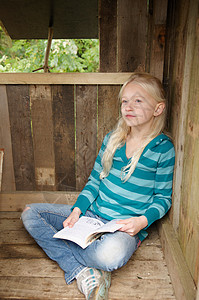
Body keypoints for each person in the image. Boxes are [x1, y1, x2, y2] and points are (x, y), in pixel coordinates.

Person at [21, 72, 175, 300]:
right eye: (124, 100)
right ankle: (82, 271)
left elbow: (163, 198)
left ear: (158, 109)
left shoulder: (163, 149)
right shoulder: (113, 139)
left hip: (123, 227)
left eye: (138, 100)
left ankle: (79, 258)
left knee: (110, 256)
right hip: (92, 216)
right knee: (30, 214)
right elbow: (95, 180)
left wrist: (141, 222)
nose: (128, 106)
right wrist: (77, 211)